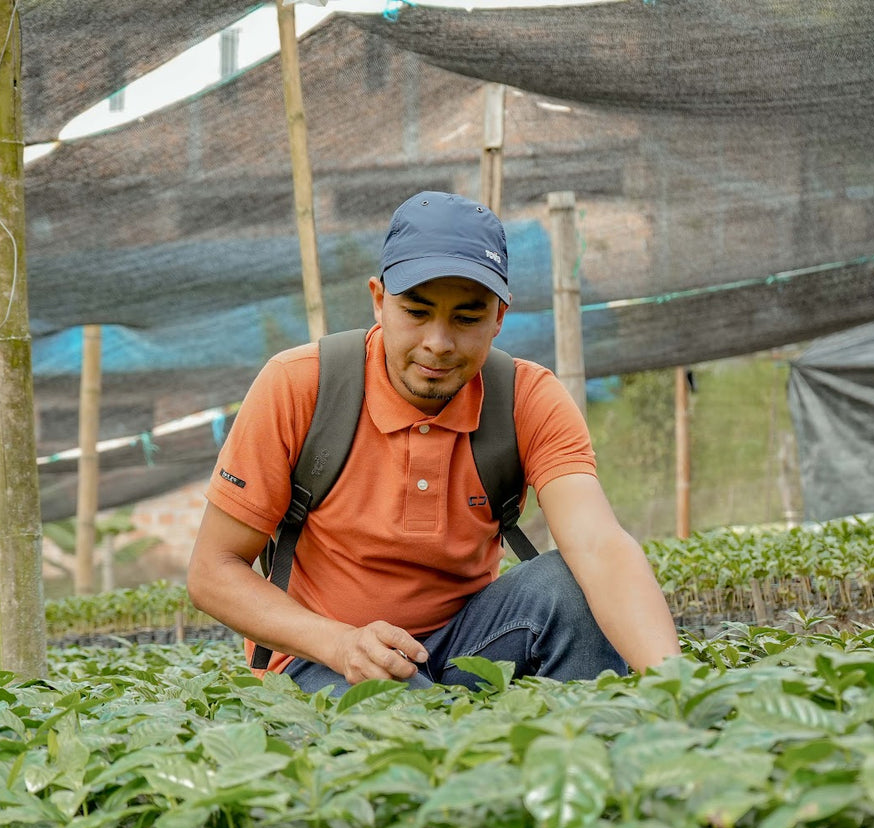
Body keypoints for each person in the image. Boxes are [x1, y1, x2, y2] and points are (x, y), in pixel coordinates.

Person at [187, 191, 679, 693]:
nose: (438, 344)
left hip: (471, 642)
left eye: (467, 319)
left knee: (571, 584)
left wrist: (678, 690)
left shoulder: (527, 398)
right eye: (417, 313)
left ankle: (583, 757)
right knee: (406, 726)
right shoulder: (300, 386)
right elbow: (213, 570)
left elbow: (599, 546)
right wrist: (338, 643)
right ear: (379, 300)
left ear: (499, 318)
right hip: (325, 656)